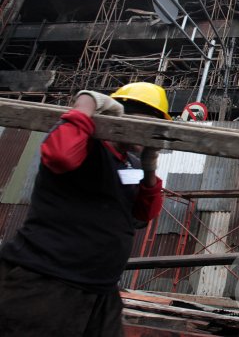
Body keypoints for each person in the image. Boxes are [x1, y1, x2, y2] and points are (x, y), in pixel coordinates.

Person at [0, 82, 171, 337]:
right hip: (45, 282)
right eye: (145, 124)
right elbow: (60, 156)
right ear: (118, 116)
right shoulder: (84, 144)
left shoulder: (131, 164)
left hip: (102, 291)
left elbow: (143, 214)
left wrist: (149, 168)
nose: (149, 135)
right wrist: (87, 103)